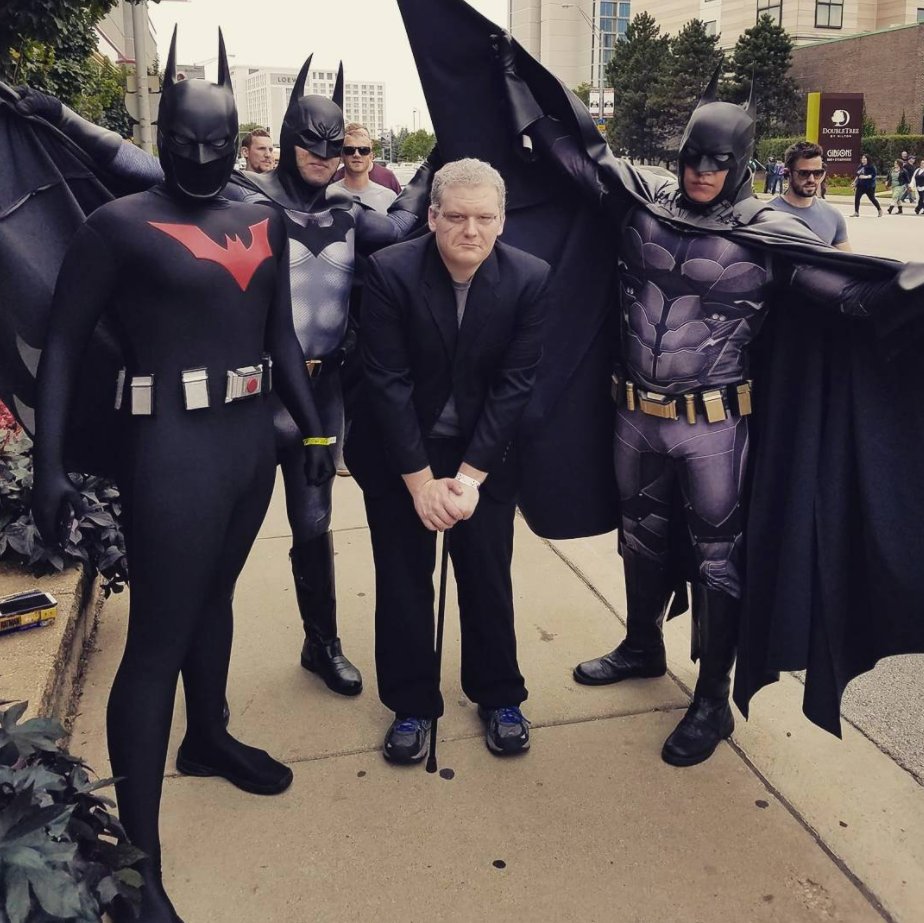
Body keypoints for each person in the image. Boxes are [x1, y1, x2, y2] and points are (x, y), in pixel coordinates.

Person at [483, 25, 924, 764]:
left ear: (744, 162)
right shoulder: (644, 203)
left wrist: (904, 288)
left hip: (716, 423)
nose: (700, 172)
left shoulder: (766, 234)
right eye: (692, 158)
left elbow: (849, 298)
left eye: (717, 162)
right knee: (640, 537)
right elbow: (565, 154)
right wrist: (508, 75)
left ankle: (712, 698)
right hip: (635, 412)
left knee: (720, 560)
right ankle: (640, 642)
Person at [30, 32, 335, 922]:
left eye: (218, 141)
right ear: (161, 132)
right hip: (168, 444)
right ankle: (140, 867)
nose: (202, 158)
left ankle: (207, 736)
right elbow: (59, 350)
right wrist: (49, 465)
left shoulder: (263, 217)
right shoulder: (116, 227)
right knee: (158, 639)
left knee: (216, 600)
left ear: (238, 135)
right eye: (185, 140)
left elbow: (280, 339)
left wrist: (313, 440)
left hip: (249, 441)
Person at [13, 57, 430, 699]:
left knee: (314, 519)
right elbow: (141, 167)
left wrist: (449, 144)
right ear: (285, 141)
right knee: (213, 545)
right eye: (309, 140)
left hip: (319, 390)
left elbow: (406, 224)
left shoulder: (349, 215)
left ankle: (322, 643)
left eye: (337, 142)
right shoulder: (243, 200)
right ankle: (204, 698)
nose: (324, 154)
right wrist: (61, 116)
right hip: (245, 393)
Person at [345, 158, 549, 764]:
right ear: (431, 217)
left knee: (487, 574)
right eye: (456, 216)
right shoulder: (390, 272)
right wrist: (419, 484)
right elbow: (387, 384)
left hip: (482, 456)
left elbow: (516, 385)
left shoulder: (529, 278)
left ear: (502, 220)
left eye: (485, 218)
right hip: (401, 451)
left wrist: (466, 478)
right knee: (405, 578)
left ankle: (499, 694)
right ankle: (411, 705)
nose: (471, 230)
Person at [768, 141, 850, 249]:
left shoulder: (833, 216)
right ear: (788, 173)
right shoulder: (768, 215)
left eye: (817, 173)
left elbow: (846, 262)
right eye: (803, 173)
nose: (811, 179)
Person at [331, 122, 398, 211]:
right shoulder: (327, 196)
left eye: (363, 150)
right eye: (349, 150)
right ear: (342, 156)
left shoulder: (389, 197)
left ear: (371, 156)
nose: (357, 154)